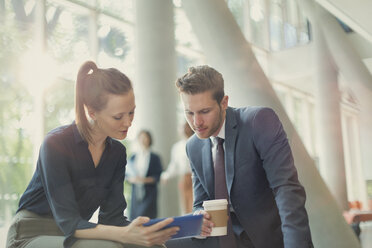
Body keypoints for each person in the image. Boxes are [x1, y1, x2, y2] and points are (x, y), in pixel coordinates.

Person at [6, 61, 178, 248]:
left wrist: (146, 232)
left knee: (154, 246)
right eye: (118, 117)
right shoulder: (55, 144)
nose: (128, 123)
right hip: (31, 233)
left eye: (131, 112)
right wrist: (124, 235)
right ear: (92, 112)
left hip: (74, 235)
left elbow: (112, 218)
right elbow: (70, 222)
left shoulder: (117, 153)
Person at [166, 65, 313, 248]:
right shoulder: (193, 146)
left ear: (224, 102)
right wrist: (199, 216)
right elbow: (200, 203)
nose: (196, 122)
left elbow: (286, 190)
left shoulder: (258, 121)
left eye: (204, 111)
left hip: (269, 241)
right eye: (189, 113)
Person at [126, 130, 162, 220]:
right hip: (136, 193)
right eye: (141, 138)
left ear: (150, 139)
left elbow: (158, 176)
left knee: (147, 216)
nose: (143, 140)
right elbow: (126, 176)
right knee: (135, 218)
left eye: (145, 137)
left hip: (149, 192)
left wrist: (144, 180)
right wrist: (133, 179)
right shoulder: (133, 157)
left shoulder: (155, 157)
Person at [161, 122, 194, 214]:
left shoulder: (197, 141)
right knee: (185, 205)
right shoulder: (177, 147)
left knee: (195, 204)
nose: (184, 130)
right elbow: (174, 165)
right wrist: (166, 176)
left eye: (186, 127)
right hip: (184, 178)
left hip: (195, 177)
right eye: (182, 128)